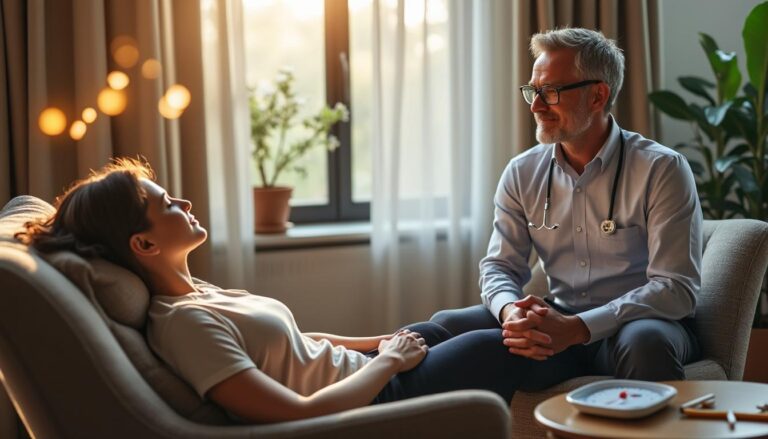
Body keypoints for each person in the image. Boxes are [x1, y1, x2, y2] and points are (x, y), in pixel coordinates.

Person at [17, 158, 535, 424]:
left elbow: (291, 341)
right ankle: (598, 353)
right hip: (373, 400)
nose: (184, 200)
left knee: (460, 319)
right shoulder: (184, 325)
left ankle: (591, 334)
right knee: (498, 347)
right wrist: (388, 364)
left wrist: (377, 343)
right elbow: (297, 415)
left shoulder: (197, 295)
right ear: (144, 242)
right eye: (166, 202)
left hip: (368, 372)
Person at [431, 27, 702, 390]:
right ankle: (368, 387)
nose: (535, 105)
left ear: (597, 96)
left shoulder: (661, 169)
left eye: (550, 92)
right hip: (558, 323)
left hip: (641, 322)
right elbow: (499, 266)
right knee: (446, 325)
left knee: (645, 342)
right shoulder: (522, 171)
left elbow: (675, 289)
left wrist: (580, 328)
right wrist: (511, 312)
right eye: (533, 90)